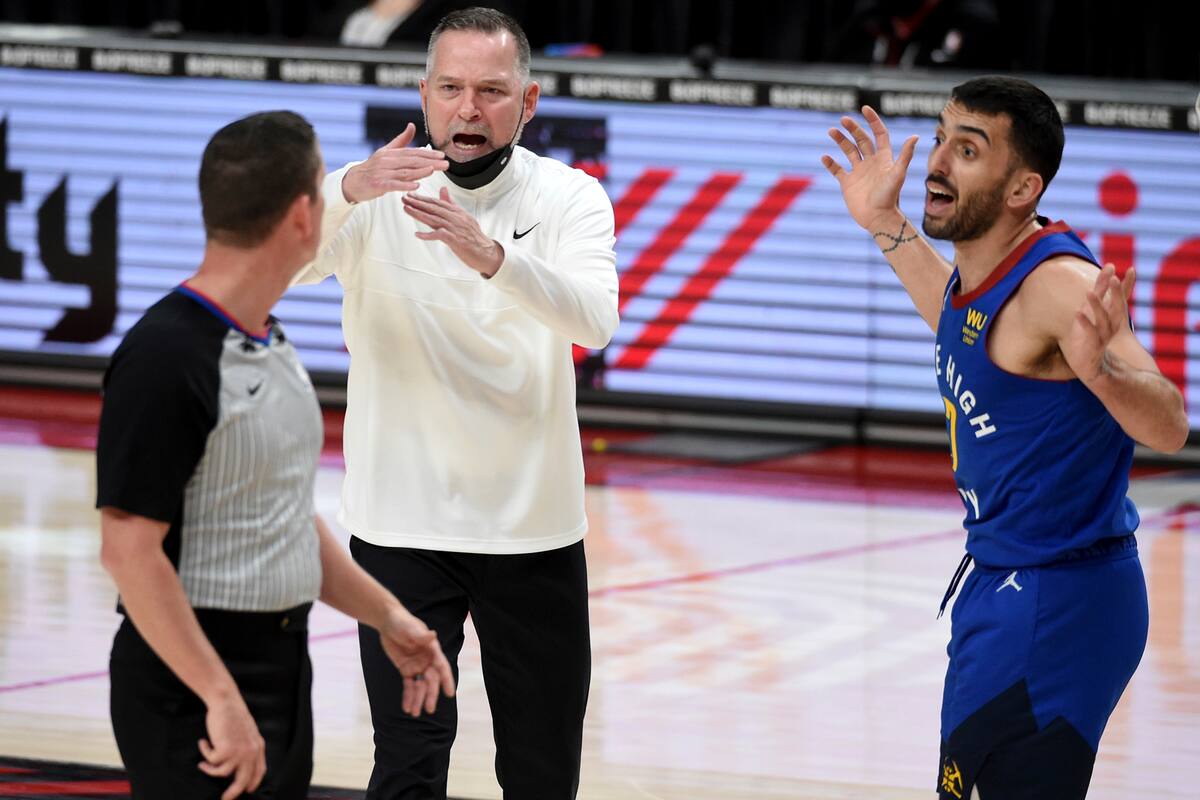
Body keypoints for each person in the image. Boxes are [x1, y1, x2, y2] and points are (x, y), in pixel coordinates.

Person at [821, 77, 1188, 799]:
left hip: (1057, 596)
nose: (936, 162)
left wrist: (1105, 375)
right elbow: (961, 329)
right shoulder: (980, 276)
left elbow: (1170, 422)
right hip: (1012, 583)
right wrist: (884, 224)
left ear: (1023, 188)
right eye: (940, 138)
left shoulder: (1060, 285)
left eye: (968, 149)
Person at [291, 6, 618, 799]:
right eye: (452, 88)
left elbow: (595, 321)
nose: (469, 109)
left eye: (492, 91)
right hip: (401, 529)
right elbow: (282, 267)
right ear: (424, 93)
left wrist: (495, 259)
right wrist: (341, 187)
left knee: (542, 773)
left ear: (529, 102)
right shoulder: (371, 196)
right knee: (407, 765)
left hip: (533, 532)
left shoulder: (571, 197)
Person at [97, 110, 455, 800]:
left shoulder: (269, 339)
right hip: (191, 681)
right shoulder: (166, 356)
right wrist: (220, 697)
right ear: (302, 215)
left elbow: (281, 515)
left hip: (282, 666)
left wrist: (390, 617)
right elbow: (128, 552)